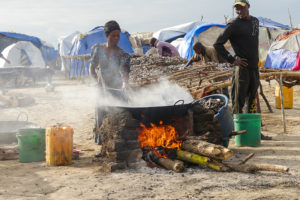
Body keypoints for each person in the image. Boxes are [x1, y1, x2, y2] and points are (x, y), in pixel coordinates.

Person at [214, 0, 259, 114]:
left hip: (254, 67)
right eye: (237, 9)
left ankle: (252, 129)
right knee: (238, 99)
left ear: (248, 6)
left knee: (252, 99)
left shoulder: (255, 21)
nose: (239, 11)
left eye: (242, 8)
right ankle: (238, 128)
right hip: (242, 68)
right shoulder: (233, 24)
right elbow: (217, 44)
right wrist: (233, 60)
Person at [89, 20, 131, 144]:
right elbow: (92, 68)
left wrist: (124, 84)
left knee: (119, 114)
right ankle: (102, 141)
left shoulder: (123, 54)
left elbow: (125, 73)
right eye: (113, 35)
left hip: (117, 89)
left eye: (118, 36)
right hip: (101, 87)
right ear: (107, 35)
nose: (116, 38)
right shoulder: (98, 50)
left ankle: (117, 142)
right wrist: (95, 81)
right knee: (102, 112)